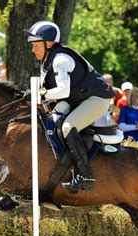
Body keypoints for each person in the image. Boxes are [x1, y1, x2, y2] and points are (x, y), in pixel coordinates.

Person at [26, 21, 114, 191]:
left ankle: (85, 174)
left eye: (36, 45)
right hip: (78, 97)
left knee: (68, 126)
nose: (33, 49)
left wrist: (41, 94)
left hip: (97, 98)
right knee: (53, 118)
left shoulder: (60, 59)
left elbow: (62, 91)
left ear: (49, 43)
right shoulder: (47, 60)